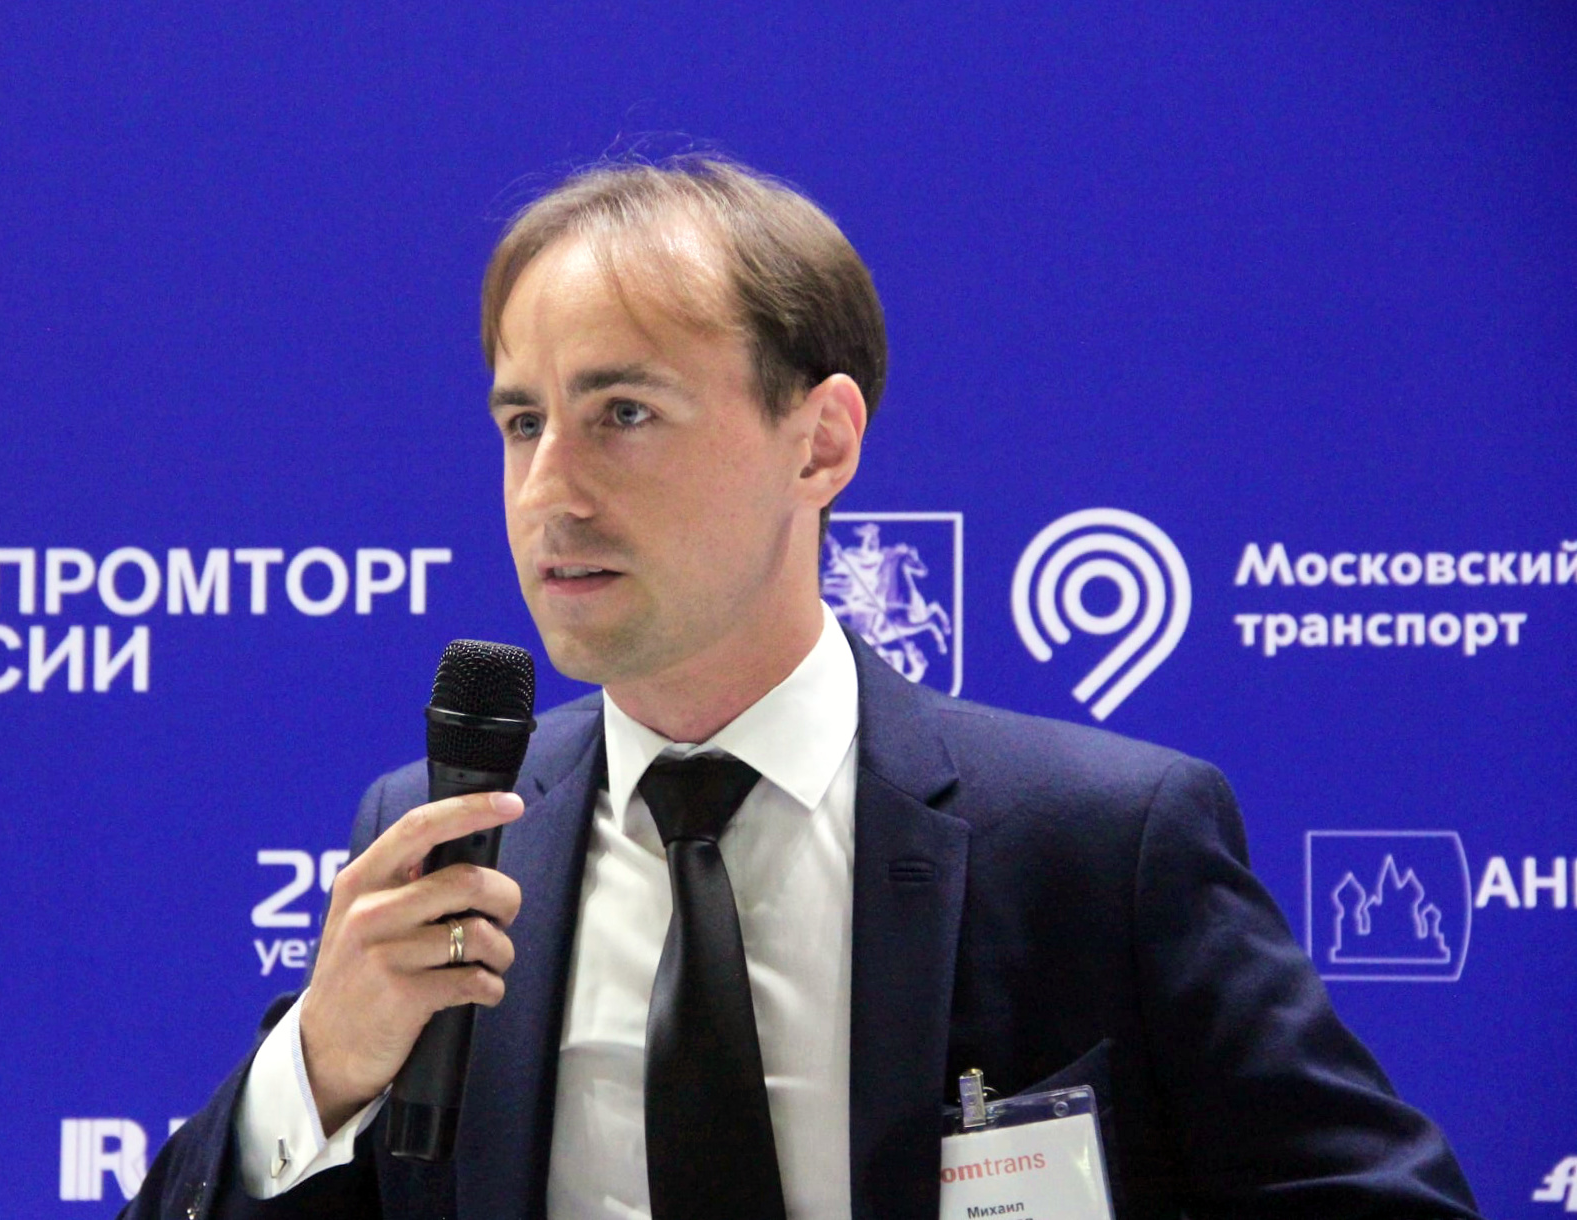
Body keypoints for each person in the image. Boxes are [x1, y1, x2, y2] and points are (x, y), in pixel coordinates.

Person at [124, 156, 1483, 1220]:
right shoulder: (449, 836)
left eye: (623, 413)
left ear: (821, 443)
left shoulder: (1097, 843)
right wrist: (322, 1067)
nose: (548, 492)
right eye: (522, 422)